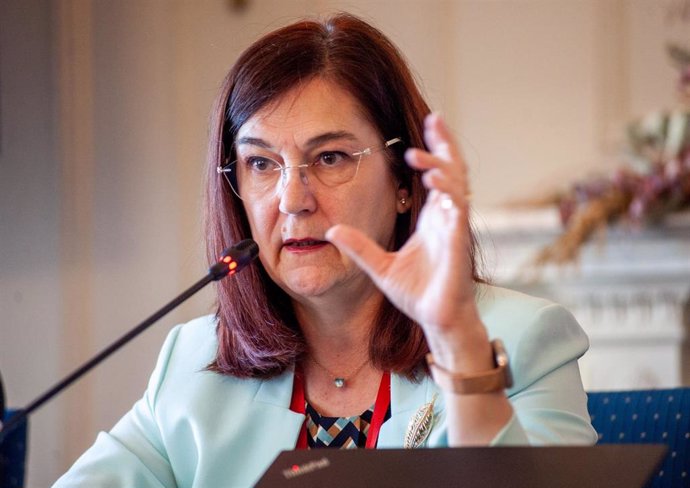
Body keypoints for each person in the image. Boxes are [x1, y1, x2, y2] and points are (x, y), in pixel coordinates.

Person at [54, 12, 596, 487]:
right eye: (261, 163)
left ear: (404, 180)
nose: (292, 199)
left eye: (331, 157)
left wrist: (456, 339)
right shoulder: (194, 365)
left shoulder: (524, 343)